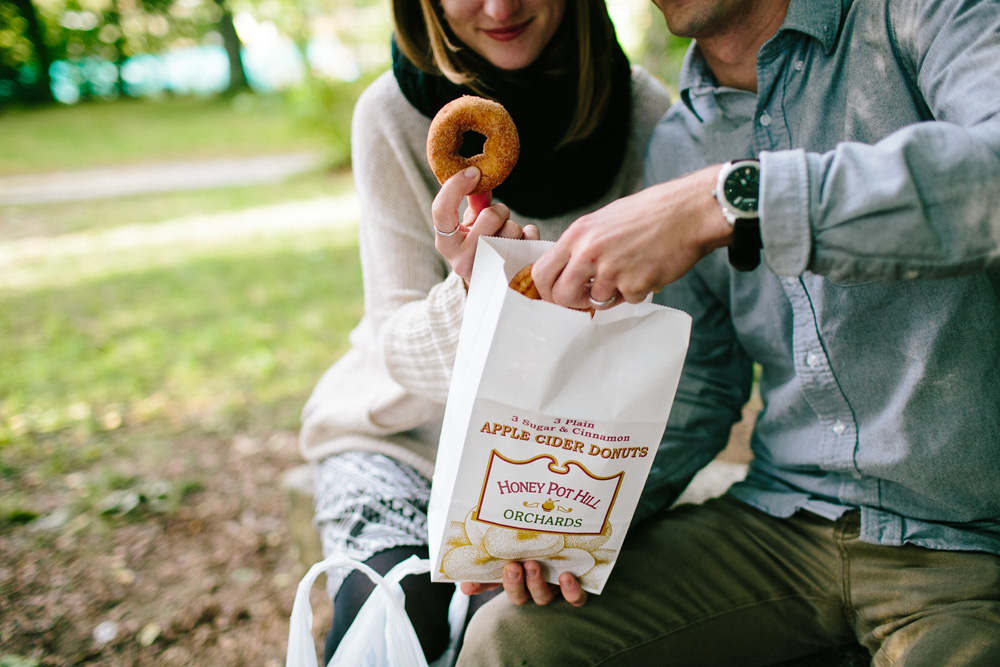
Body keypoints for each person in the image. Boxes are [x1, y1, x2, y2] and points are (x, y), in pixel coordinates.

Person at [456, 0, 1000, 664]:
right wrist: (564, 524)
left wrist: (729, 198)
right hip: (781, 527)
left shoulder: (922, 17)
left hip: (967, 538)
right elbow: (701, 386)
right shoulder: (682, 140)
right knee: (511, 639)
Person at [297, 0, 670, 662]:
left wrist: (558, 516)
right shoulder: (392, 113)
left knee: (505, 631)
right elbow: (395, 344)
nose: (500, 7)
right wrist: (474, 290)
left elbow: (658, 360)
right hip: (404, 434)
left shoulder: (646, 117)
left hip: (555, 458)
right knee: (385, 622)